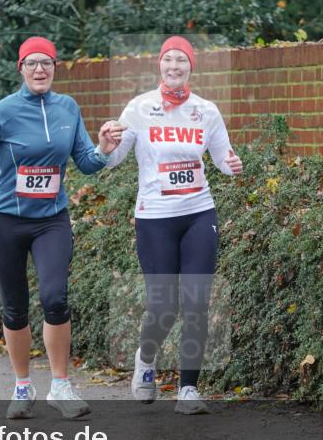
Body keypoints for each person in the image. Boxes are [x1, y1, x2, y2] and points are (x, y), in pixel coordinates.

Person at [0, 36, 120, 420]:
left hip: (51, 220)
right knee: (14, 306)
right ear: (21, 69)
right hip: (6, 220)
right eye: (32, 63)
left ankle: (60, 386)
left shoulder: (68, 108)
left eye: (46, 63)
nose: (40, 69)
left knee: (55, 296)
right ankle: (22, 387)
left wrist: (104, 150)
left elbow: (85, 161)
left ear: (55, 68)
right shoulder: (3, 111)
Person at [102, 36, 243, 414]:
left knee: (196, 301)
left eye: (182, 60)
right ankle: (145, 360)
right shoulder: (139, 108)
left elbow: (221, 156)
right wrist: (105, 145)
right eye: (169, 60)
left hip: (199, 211)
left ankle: (188, 390)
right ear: (160, 66)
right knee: (164, 306)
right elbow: (114, 160)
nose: (175, 66)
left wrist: (233, 164)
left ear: (191, 67)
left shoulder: (206, 111)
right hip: (155, 218)